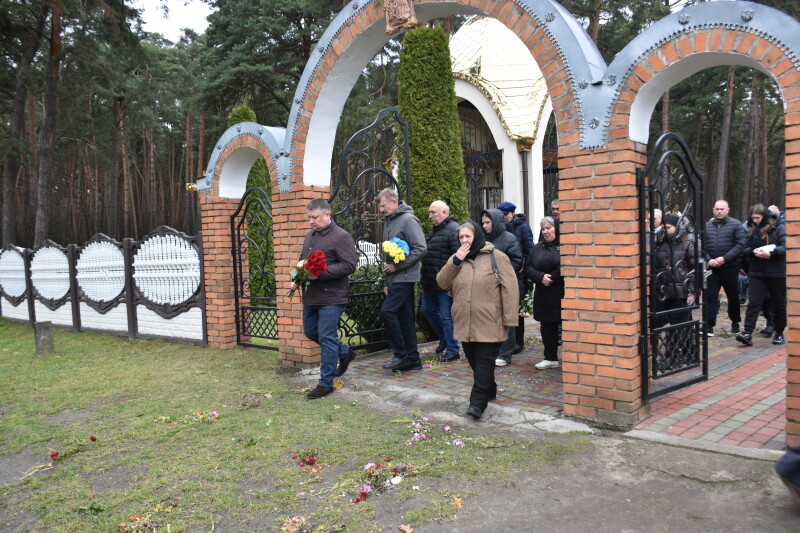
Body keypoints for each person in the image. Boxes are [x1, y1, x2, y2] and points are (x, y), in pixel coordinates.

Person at [436, 221, 519, 419]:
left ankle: (477, 404)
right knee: (476, 362)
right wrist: (455, 260)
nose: (464, 240)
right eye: (461, 237)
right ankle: (489, 389)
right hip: (465, 322)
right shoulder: (457, 259)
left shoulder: (497, 257)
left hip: (490, 322)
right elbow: (442, 282)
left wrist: (509, 319)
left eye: (468, 236)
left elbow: (511, 288)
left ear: (477, 236)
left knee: (483, 362)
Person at [292, 199, 358, 399]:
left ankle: (325, 383)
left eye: (315, 217)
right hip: (312, 296)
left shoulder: (341, 236)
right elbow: (303, 262)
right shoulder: (310, 236)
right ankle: (345, 352)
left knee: (327, 337)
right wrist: (297, 278)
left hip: (332, 296)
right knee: (311, 331)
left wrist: (320, 273)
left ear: (327, 214)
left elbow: (349, 265)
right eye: (309, 218)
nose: (311, 221)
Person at [377, 188, 427, 371]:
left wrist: (397, 267)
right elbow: (388, 258)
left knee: (387, 312)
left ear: (393, 202)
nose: (381, 210)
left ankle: (400, 354)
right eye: (380, 207)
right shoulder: (389, 221)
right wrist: (387, 282)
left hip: (405, 277)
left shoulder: (408, 219)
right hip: (395, 279)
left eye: (383, 206)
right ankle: (413, 360)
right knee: (406, 319)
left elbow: (421, 248)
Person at [736, 204, 786, 346]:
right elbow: (744, 248)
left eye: (757, 218)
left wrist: (771, 254)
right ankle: (747, 333)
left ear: (764, 216)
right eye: (753, 218)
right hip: (757, 272)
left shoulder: (779, 228)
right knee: (754, 303)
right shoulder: (753, 230)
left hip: (776, 273)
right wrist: (753, 252)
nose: (755, 220)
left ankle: (779, 333)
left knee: (779, 304)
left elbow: (785, 247)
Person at [480, 208, 522, 366]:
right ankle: (494, 349)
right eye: (483, 223)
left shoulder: (509, 239)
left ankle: (505, 353)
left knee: (506, 318)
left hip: (504, 285)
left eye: (487, 222)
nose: (484, 226)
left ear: (496, 222)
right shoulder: (483, 238)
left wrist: (500, 275)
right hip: (487, 286)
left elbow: (517, 261)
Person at [420, 201, 461, 362]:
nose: (430, 216)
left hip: (445, 284)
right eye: (430, 212)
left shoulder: (454, 230)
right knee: (428, 310)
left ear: (444, 212)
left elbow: (458, 259)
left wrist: (452, 284)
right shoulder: (434, 230)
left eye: (433, 212)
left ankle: (453, 350)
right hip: (430, 282)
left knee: (447, 317)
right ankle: (444, 337)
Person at [652, 215, 696, 360]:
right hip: (664, 290)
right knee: (680, 323)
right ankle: (690, 353)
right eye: (663, 228)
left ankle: (673, 356)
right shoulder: (660, 241)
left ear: (677, 227)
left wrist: (693, 291)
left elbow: (695, 268)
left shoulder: (688, 242)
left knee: (678, 324)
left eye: (668, 228)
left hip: (681, 290)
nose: (665, 230)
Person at [525, 216, 564, 369]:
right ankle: (550, 357)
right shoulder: (537, 248)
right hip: (543, 292)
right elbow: (528, 267)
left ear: (556, 228)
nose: (546, 231)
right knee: (547, 326)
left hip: (561, 291)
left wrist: (552, 277)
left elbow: (567, 266)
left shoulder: (564, 246)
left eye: (549, 228)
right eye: (543, 229)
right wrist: (540, 277)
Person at [704, 200, 747, 336]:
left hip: (730, 267)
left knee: (733, 296)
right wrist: (709, 259)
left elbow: (740, 244)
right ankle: (709, 325)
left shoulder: (736, 224)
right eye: (717, 209)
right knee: (710, 296)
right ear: (713, 210)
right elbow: (701, 246)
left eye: (722, 209)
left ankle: (735, 323)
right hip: (712, 269)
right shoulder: (706, 226)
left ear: (727, 210)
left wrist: (725, 258)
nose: (719, 211)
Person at [497, 201, 534, 354]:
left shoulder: (523, 228)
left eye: (506, 214)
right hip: (506, 271)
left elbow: (529, 251)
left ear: (512, 213)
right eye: (502, 215)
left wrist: (527, 273)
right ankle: (507, 341)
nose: (504, 217)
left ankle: (518, 342)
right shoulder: (502, 228)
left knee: (518, 309)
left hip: (520, 273)